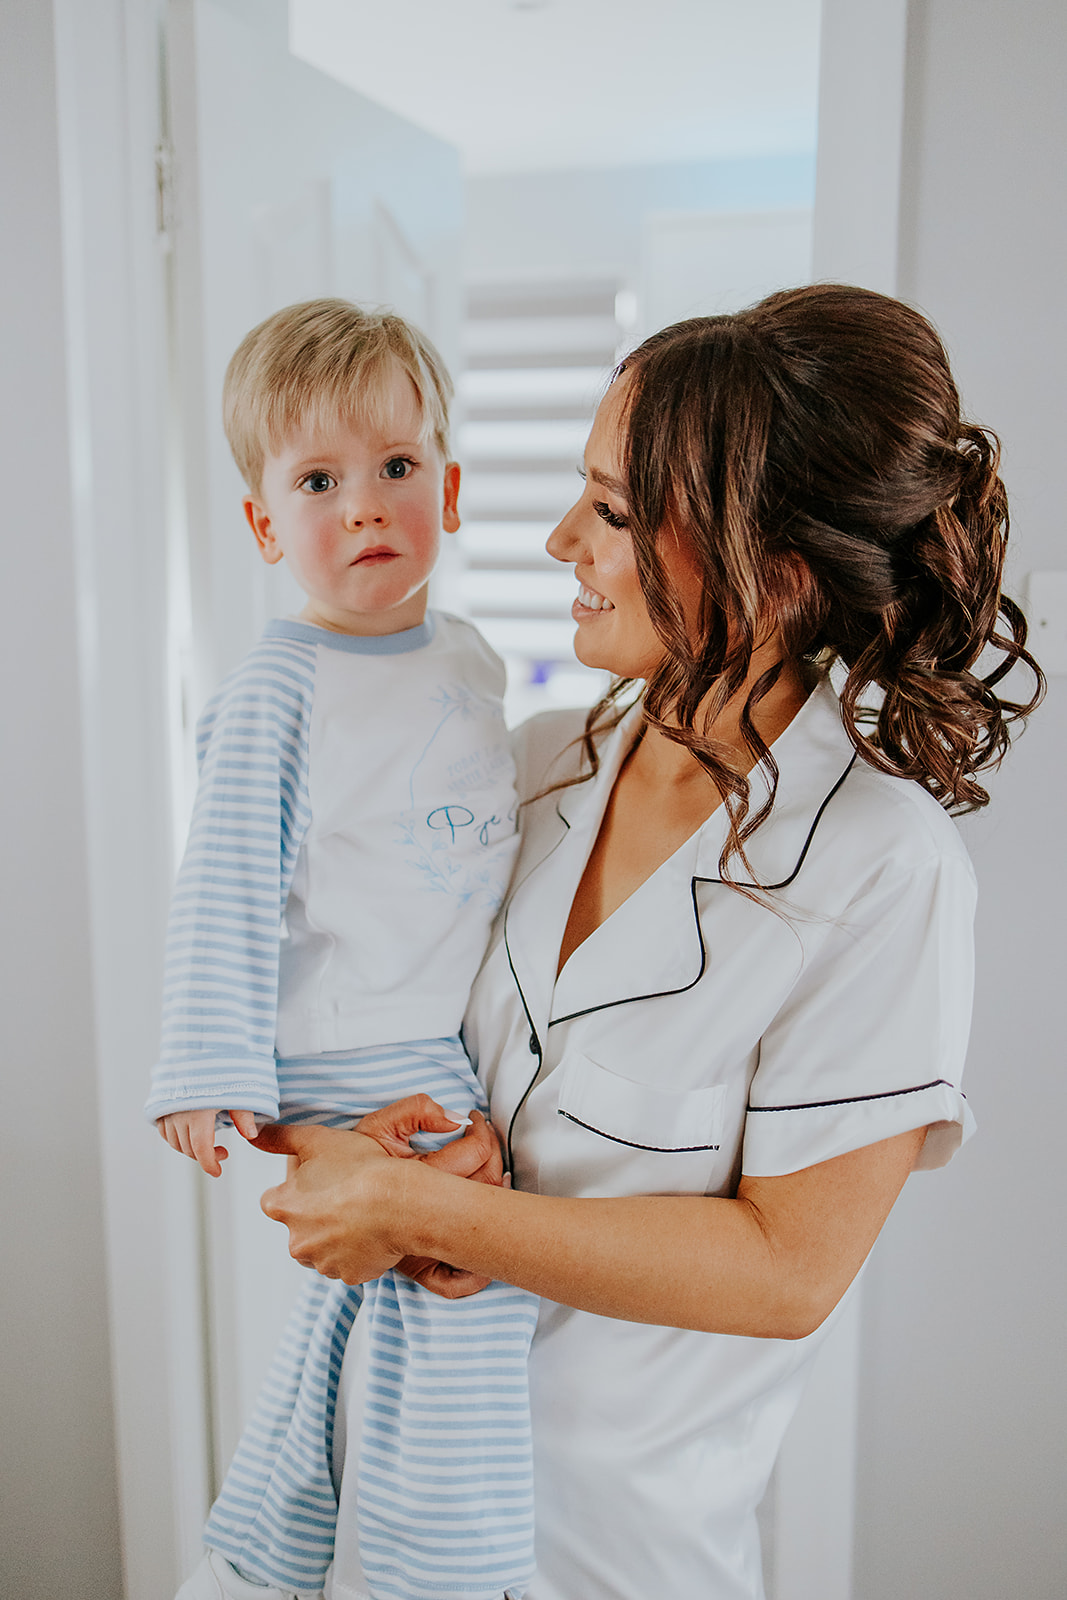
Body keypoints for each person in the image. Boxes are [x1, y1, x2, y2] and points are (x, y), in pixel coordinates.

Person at [250, 284, 1044, 1600]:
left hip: (605, 1561)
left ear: (776, 568)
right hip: (389, 1503)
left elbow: (790, 1268)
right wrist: (354, 1147)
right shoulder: (528, 765)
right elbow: (348, 1008)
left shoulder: (880, 874)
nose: (565, 539)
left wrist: (444, 1216)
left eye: (616, 514)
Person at [145, 300, 538, 1600]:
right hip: (348, 1041)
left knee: (383, 1297)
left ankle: (274, 1537)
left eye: (396, 468)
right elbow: (228, 877)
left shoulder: (470, 662)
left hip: (442, 1033)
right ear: (266, 526)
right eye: (319, 480)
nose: (365, 505)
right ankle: (450, 1572)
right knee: (464, 1289)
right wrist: (209, 1068)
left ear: (452, 488)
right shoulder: (281, 682)